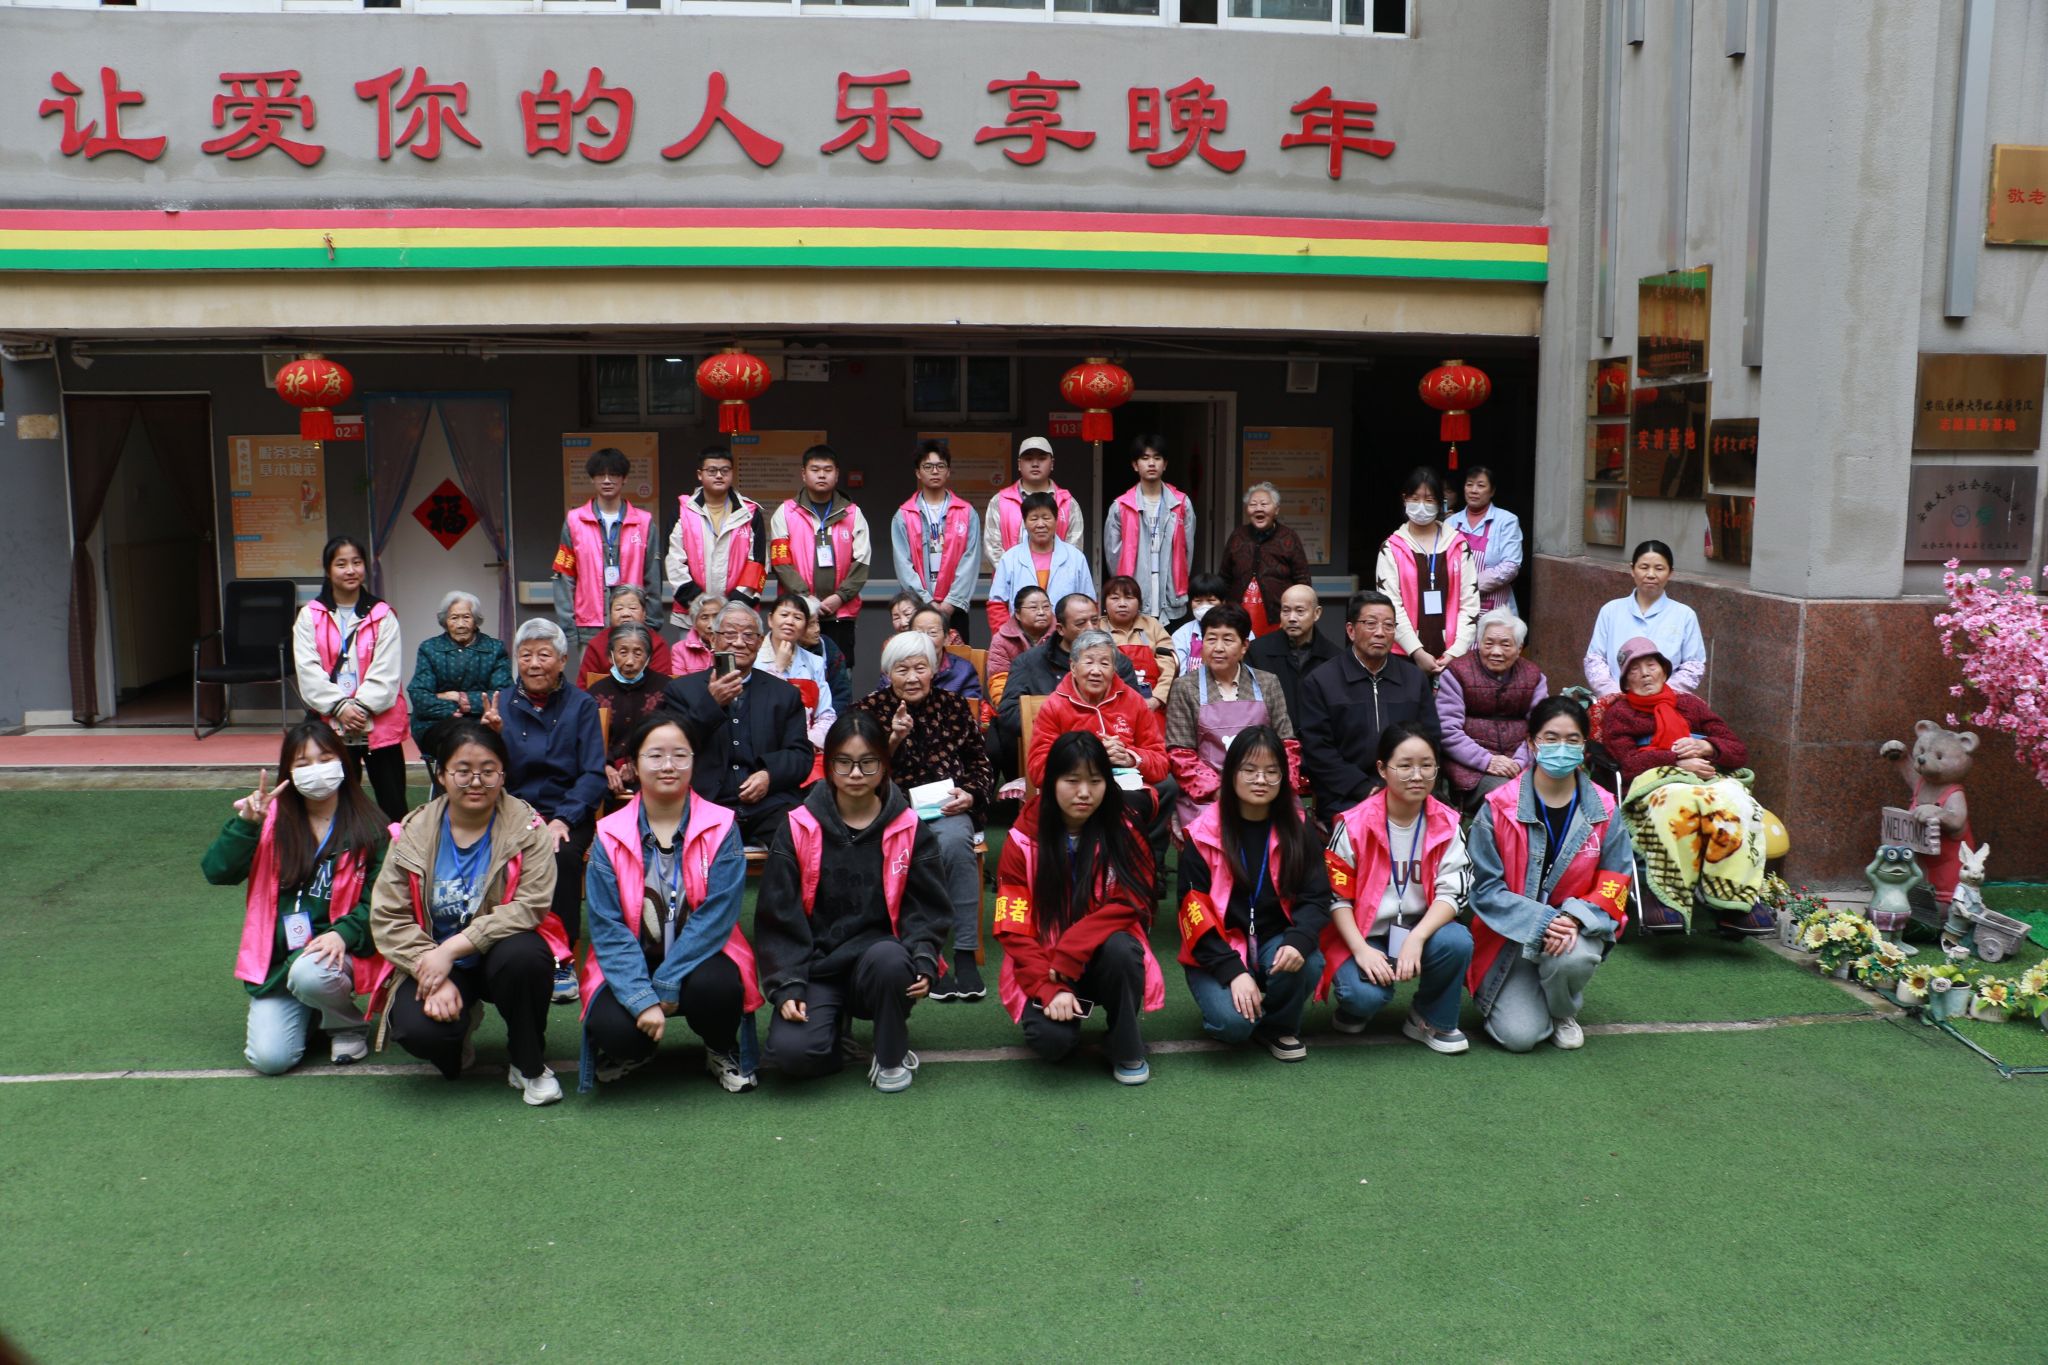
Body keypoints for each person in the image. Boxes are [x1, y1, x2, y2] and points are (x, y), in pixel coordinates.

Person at [368, 720, 570, 1106]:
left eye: (488, 771)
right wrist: (431, 967)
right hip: (435, 959)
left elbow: (531, 906)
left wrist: (454, 948)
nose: (476, 782)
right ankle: (459, 1032)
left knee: (526, 956)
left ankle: (527, 1061)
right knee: (419, 1032)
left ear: (503, 774)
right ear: (441, 775)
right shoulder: (413, 832)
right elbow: (388, 917)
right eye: (462, 771)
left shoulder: (528, 827)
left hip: (499, 953)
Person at [757, 712, 950, 1091]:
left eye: (868, 762)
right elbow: (777, 916)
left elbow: (927, 907)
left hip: (880, 966)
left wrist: (924, 955)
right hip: (817, 968)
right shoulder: (798, 826)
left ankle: (891, 1051)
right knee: (792, 1056)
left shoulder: (909, 827)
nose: (856, 774)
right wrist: (787, 983)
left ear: (884, 765)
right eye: (844, 762)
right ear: (828, 766)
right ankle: (832, 1028)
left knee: (891, 960)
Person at [577, 711, 762, 1094]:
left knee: (718, 987)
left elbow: (718, 916)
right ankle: (637, 1050)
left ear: (694, 761)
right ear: (634, 764)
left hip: (701, 957)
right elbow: (608, 928)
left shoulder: (721, 825)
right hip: (632, 957)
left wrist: (666, 981)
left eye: (680, 755)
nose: (668, 766)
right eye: (655, 755)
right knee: (614, 1030)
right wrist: (640, 997)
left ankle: (719, 1047)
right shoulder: (609, 834)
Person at [202, 722, 389, 1074]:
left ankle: (347, 1025)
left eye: (326, 759)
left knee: (310, 973)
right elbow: (217, 872)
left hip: (337, 954)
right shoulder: (270, 820)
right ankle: (313, 1009)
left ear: (344, 762)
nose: (316, 770)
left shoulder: (372, 828)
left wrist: (343, 933)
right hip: (280, 961)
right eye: (303, 763)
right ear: (288, 772)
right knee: (270, 1059)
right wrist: (246, 824)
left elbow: (382, 902)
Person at [994, 731, 1165, 1085]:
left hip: (1102, 954)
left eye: (1095, 781)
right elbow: (1012, 926)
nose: (1084, 793)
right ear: (1050, 782)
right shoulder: (1020, 839)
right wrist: (1047, 987)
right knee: (1052, 1044)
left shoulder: (1125, 827)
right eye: (1072, 781)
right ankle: (1061, 1014)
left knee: (1122, 949)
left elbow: (1134, 898)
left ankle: (1124, 1042)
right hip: (1045, 963)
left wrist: (1073, 947)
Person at [1466, 698, 1634, 1052]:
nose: (1562, 748)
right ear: (1531, 742)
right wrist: (1543, 921)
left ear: (1585, 747)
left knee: (1573, 957)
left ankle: (1562, 1010)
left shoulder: (1604, 807)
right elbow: (1484, 889)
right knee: (1519, 1037)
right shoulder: (1498, 807)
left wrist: (1573, 918)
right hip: (1512, 935)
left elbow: (1616, 879)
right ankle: (1535, 989)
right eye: (1551, 738)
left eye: (1572, 740)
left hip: (1573, 931)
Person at [853, 630, 997, 1001]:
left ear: (934, 670)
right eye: (902, 670)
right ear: (888, 674)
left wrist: (970, 793)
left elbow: (979, 762)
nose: (913, 677)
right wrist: (893, 740)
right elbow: (859, 773)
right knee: (912, 846)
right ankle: (927, 953)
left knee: (955, 842)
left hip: (947, 805)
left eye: (921, 668)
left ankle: (964, 952)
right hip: (890, 810)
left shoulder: (953, 705)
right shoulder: (867, 711)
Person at [1315, 724, 1475, 1053]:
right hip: (1365, 934)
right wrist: (1361, 949)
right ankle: (1355, 1007)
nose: (1417, 775)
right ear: (1382, 769)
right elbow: (1336, 897)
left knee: (1456, 940)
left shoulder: (1448, 823)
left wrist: (1417, 938)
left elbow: (1453, 892)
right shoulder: (1353, 824)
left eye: (1426, 765)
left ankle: (1428, 1017)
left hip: (1419, 928)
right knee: (1363, 997)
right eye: (1404, 765)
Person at [1175, 727, 1330, 1061]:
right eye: (1250, 770)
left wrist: (1299, 939)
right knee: (1233, 1026)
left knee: (1308, 959)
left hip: (1275, 939)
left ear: (1283, 778)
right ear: (1231, 773)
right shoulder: (1202, 834)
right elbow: (1191, 917)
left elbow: (1317, 896)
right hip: (1218, 947)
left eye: (1272, 771)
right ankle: (1240, 1006)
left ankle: (1277, 1026)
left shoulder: (1299, 826)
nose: (1261, 780)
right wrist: (1233, 972)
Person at [1600, 637, 1771, 936]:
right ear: (1625, 682)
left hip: (1706, 780)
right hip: (1654, 782)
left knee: (1739, 802)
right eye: (1634, 670)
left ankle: (1733, 900)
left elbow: (1737, 750)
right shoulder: (1620, 714)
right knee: (1678, 802)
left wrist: (1707, 747)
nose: (1645, 674)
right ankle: (1664, 896)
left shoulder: (1691, 705)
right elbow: (1628, 762)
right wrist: (1677, 760)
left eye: (1651, 665)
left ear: (1664, 670)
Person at [482, 618, 607, 1005]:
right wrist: (490, 738)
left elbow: (593, 774)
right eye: (526, 655)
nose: (534, 663)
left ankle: (561, 958)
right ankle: (495, 947)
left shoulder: (582, 705)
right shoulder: (501, 704)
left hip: (565, 811)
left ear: (563, 660)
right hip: (512, 810)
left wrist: (562, 818)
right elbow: (485, 773)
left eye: (543, 655)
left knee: (562, 855)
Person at [661, 603, 812, 847]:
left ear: (760, 641)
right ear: (713, 639)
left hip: (769, 804)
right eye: (730, 634)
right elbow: (671, 748)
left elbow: (801, 755)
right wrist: (711, 704)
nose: (740, 643)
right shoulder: (681, 691)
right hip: (706, 803)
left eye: (749, 635)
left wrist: (769, 775)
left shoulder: (784, 694)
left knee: (798, 836)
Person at [292, 535, 409, 823]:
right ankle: (342, 849)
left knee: (393, 802)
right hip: (331, 722)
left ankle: (398, 848)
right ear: (328, 569)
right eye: (341, 564)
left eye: (356, 563)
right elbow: (308, 670)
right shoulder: (309, 616)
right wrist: (340, 707)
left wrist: (362, 707)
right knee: (335, 802)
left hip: (380, 723)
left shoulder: (383, 615)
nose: (350, 570)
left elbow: (387, 670)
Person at [1297, 591, 1442, 818]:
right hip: (1345, 795)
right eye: (1371, 624)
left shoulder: (1414, 679)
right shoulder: (1321, 681)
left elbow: (1430, 739)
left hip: (1408, 790)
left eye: (1388, 625)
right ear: (1351, 630)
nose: (1380, 632)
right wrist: (1364, 789)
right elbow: (1317, 749)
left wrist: (1403, 784)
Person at [1164, 603, 1298, 838]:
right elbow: (1180, 753)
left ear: (1244, 645)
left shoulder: (1268, 683)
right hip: (1210, 795)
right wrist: (1220, 791)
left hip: (1262, 786)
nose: (1218, 648)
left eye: (1227, 639)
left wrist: (1270, 786)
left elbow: (1287, 745)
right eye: (1211, 639)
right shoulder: (1185, 687)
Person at [991, 594, 1143, 779]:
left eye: (1095, 621)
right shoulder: (1029, 662)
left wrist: (1126, 753)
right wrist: (1069, 731)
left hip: (1114, 754)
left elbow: (1135, 713)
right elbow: (1008, 714)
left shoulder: (1117, 661)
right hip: (1057, 754)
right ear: (1060, 629)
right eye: (1080, 623)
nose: (1090, 628)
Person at [1026, 628, 1171, 805]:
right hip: (1076, 788)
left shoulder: (1134, 701)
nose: (1096, 671)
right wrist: (1089, 757)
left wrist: (1130, 757)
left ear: (1114, 669)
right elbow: (1038, 770)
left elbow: (1161, 762)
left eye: (1104, 663)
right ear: (1073, 667)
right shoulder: (1054, 705)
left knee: (1167, 787)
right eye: (1088, 662)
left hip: (1127, 785)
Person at [1374, 466, 1480, 678]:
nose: (1421, 506)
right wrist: (1417, 652)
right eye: (1415, 499)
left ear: (1441, 503)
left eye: (1429, 500)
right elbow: (1390, 604)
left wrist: (1456, 652)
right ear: (1404, 499)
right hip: (1403, 655)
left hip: (1453, 656)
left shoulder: (1459, 545)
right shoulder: (1391, 548)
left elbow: (1470, 602)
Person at [553, 446, 661, 653]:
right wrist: (568, 626)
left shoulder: (644, 522)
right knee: (592, 674)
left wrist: (651, 624)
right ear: (592, 479)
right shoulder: (574, 521)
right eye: (600, 475)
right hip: (590, 624)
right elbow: (564, 576)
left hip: (633, 623)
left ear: (625, 478)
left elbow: (652, 575)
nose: (607, 480)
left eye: (614, 474)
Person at [770, 444, 869, 659]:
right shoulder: (786, 512)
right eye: (815, 470)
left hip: (841, 613)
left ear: (837, 474)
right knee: (794, 671)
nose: (821, 475)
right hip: (797, 613)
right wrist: (806, 599)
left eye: (827, 470)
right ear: (804, 474)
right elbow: (780, 561)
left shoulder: (852, 513)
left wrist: (840, 597)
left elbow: (862, 562)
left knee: (840, 673)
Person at [1439, 608, 1548, 802]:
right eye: (1489, 643)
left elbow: (1541, 727)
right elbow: (1447, 730)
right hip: (1471, 769)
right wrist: (1487, 761)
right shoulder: (1457, 672)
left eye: (1505, 644)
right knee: (1510, 795)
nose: (1496, 652)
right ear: (1479, 643)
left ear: (1519, 648)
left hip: (1523, 764)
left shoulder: (1533, 676)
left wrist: (1520, 762)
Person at [1583, 539, 1707, 696]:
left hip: (1666, 702)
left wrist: (1662, 695)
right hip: (1617, 701)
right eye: (1644, 567)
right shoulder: (1610, 610)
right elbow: (1595, 659)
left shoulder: (1684, 615)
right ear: (1632, 569)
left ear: (1670, 573)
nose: (1651, 575)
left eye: (1659, 568)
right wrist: (1614, 694)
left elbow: (1694, 665)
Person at [406, 590, 512, 764]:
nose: (460, 624)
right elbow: (419, 695)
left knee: (483, 736)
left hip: (483, 722)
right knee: (460, 738)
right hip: (435, 724)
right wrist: (450, 711)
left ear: (476, 620)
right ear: (445, 622)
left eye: (466, 617)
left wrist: (460, 698)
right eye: (454, 618)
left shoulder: (495, 649)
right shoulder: (429, 648)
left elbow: (503, 694)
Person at [666, 446, 768, 626]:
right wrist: (702, 605)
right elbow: (674, 561)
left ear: (732, 473)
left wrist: (733, 606)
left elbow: (758, 563)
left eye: (725, 470)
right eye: (712, 471)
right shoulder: (683, 511)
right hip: (692, 614)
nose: (719, 475)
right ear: (700, 474)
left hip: (739, 615)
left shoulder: (750, 513)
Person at [1103, 433, 1196, 624]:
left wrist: (1177, 582)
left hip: (1170, 590)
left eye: (1157, 458)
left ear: (1165, 464)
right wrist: (1124, 591)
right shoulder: (1121, 506)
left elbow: (1188, 550)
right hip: (1135, 588)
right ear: (1135, 465)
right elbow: (1113, 556)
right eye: (1145, 458)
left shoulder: (1181, 503)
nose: (1151, 463)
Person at [891, 442, 980, 637]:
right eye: (927, 466)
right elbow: (903, 565)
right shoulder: (904, 515)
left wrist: (951, 602)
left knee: (957, 655)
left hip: (955, 609)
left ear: (948, 471)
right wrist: (926, 602)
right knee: (919, 655)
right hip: (918, 609)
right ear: (918, 472)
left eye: (940, 466)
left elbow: (970, 561)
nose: (934, 471)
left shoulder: (967, 512)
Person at [987, 492, 1095, 638]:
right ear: (1025, 522)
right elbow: (997, 604)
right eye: (1034, 518)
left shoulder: (1076, 558)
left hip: (1067, 640)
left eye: (1046, 518)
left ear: (1056, 520)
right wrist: (1008, 638)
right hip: (1021, 640)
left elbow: (1089, 603)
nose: (1040, 524)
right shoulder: (1010, 558)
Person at [983, 435, 1083, 583]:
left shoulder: (1068, 503)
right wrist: (1017, 576)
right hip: (1010, 584)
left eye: (1042, 458)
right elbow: (992, 547)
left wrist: (1053, 580)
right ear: (1019, 464)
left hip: (1058, 584)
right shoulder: (1000, 501)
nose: (1035, 464)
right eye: (1028, 459)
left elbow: (1074, 548)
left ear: (1052, 463)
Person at [586, 623, 672, 794]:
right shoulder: (595, 692)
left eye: (638, 653)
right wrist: (606, 766)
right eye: (623, 652)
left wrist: (640, 764)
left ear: (649, 657)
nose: (630, 661)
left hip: (655, 771)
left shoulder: (667, 689)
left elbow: (671, 736)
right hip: (607, 774)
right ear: (610, 656)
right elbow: (588, 738)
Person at [1220, 481, 1311, 637]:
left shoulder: (1289, 537)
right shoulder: (1237, 536)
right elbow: (1224, 577)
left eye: (1264, 504)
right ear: (1247, 510)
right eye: (1253, 504)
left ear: (1276, 510)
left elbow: (1303, 580)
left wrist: (1297, 614)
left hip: (1278, 617)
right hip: (1238, 617)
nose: (1258, 508)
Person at [1246, 584, 1341, 723]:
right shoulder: (1257, 651)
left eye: (1300, 611)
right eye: (1286, 611)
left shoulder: (1333, 657)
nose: (1291, 618)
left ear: (1317, 613)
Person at [755, 594, 836, 754]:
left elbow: (826, 715)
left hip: (806, 749)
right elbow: (757, 709)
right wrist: (778, 667)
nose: (790, 622)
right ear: (770, 620)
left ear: (805, 627)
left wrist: (805, 743)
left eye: (797, 617)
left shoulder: (815, 662)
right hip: (762, 747)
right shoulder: (753, 658)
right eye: (784, 615)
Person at [1454, 465, 1524, 616]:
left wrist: (1469, 586)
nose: (1473, 490)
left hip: (1496, 611)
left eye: (1480, 485)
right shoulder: (1451, 523)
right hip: (1458, 607)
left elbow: (1511, 565)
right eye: (1469, 484)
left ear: (1492, 491)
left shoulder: (1507, 521)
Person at [1101, 574, 1177, 710]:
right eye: (1115, 598)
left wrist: (1157, 699)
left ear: (1139, 603)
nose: (1122, 604)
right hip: (1106, 703)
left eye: (1129, 598)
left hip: (1150, 703)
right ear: (1104, 604)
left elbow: (1169, 667)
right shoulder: (1096, 628)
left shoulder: (1152, 625)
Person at [575, 585, 674, 689]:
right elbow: (584, 686)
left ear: (644, 613)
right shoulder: (597, 644)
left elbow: (662, 685)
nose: (625, 614)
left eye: (633, 608)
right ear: (610, 614)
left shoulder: (657, 644)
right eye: (619, 609)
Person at [986, 584, 1053, 713]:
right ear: (1017, 614)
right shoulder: (1001, 640)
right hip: (1016, 707)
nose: (1041, 612)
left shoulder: (1061, 634)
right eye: (1033, 607)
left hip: (1056, 707)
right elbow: (999, 681)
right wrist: (1009, 710)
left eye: (1046, 607)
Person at [1166, 572, 1229, 694]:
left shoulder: (1239, 631)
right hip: (1192, 693)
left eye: (1211, 601)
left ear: (1223, 602)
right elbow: (1179, 675)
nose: (1204, 606)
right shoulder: (1182, 634)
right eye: (1198, 601)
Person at [910, 605, 984, 704]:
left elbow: (972, 709)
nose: (925, 639)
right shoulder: (898, 667)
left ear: (946, 638)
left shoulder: (964, 671)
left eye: (932, 632)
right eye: (919, 633)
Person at [799, 600, 854, 716]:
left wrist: (829, 721)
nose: (817, 629)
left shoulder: (828, 647)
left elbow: (842, 693)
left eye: (817, 622)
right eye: (811, 625)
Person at [672, 593, 725, 678]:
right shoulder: (680, 650)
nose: (711, 625)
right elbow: (679, 683)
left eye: (716, 617)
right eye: (704, 618)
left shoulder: (734, 645)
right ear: (695, 624)